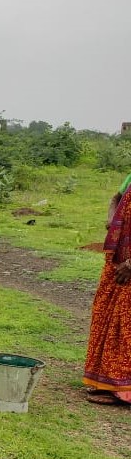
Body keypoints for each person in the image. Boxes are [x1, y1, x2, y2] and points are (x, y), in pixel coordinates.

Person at [82, 171, 131, 406]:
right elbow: (117, 196)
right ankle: (108, 382)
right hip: (119, 259)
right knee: (108, 315)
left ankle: (123, 388)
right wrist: (113, 220)